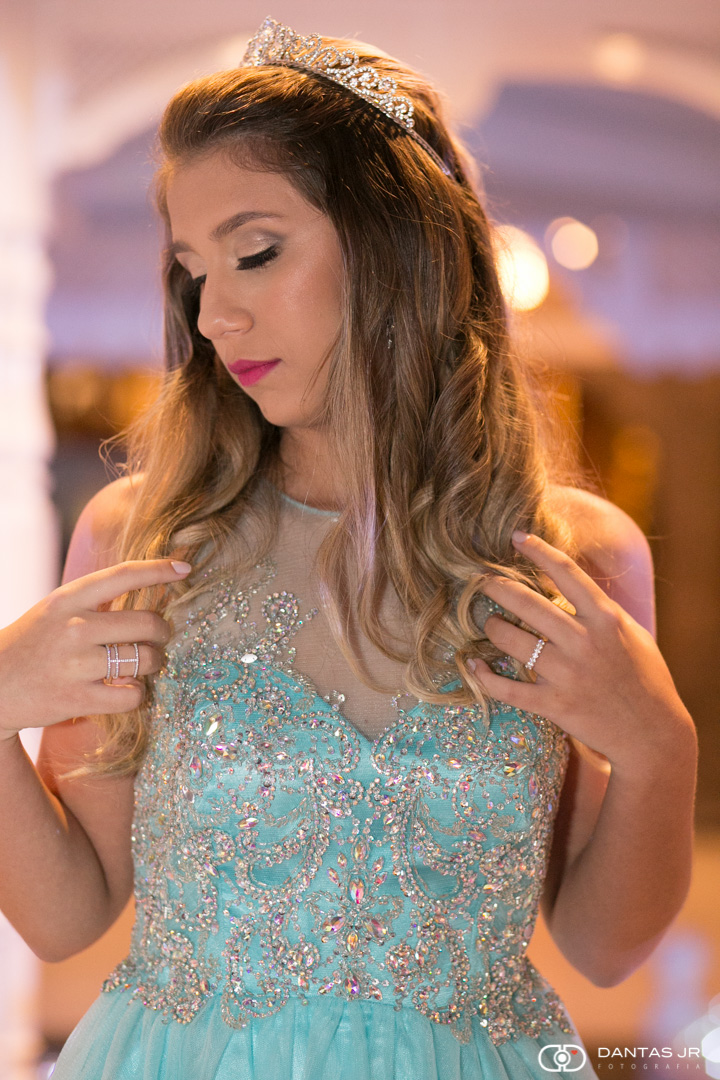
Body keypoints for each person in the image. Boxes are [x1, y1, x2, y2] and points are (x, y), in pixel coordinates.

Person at [0, 16, 697, 1080]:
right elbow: (64, 913)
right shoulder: (144, 539)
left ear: (396, 243)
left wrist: (661, 748)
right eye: (192, 269)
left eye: (256, 252)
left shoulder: (568, 555)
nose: (215, 313)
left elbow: (605, 946)